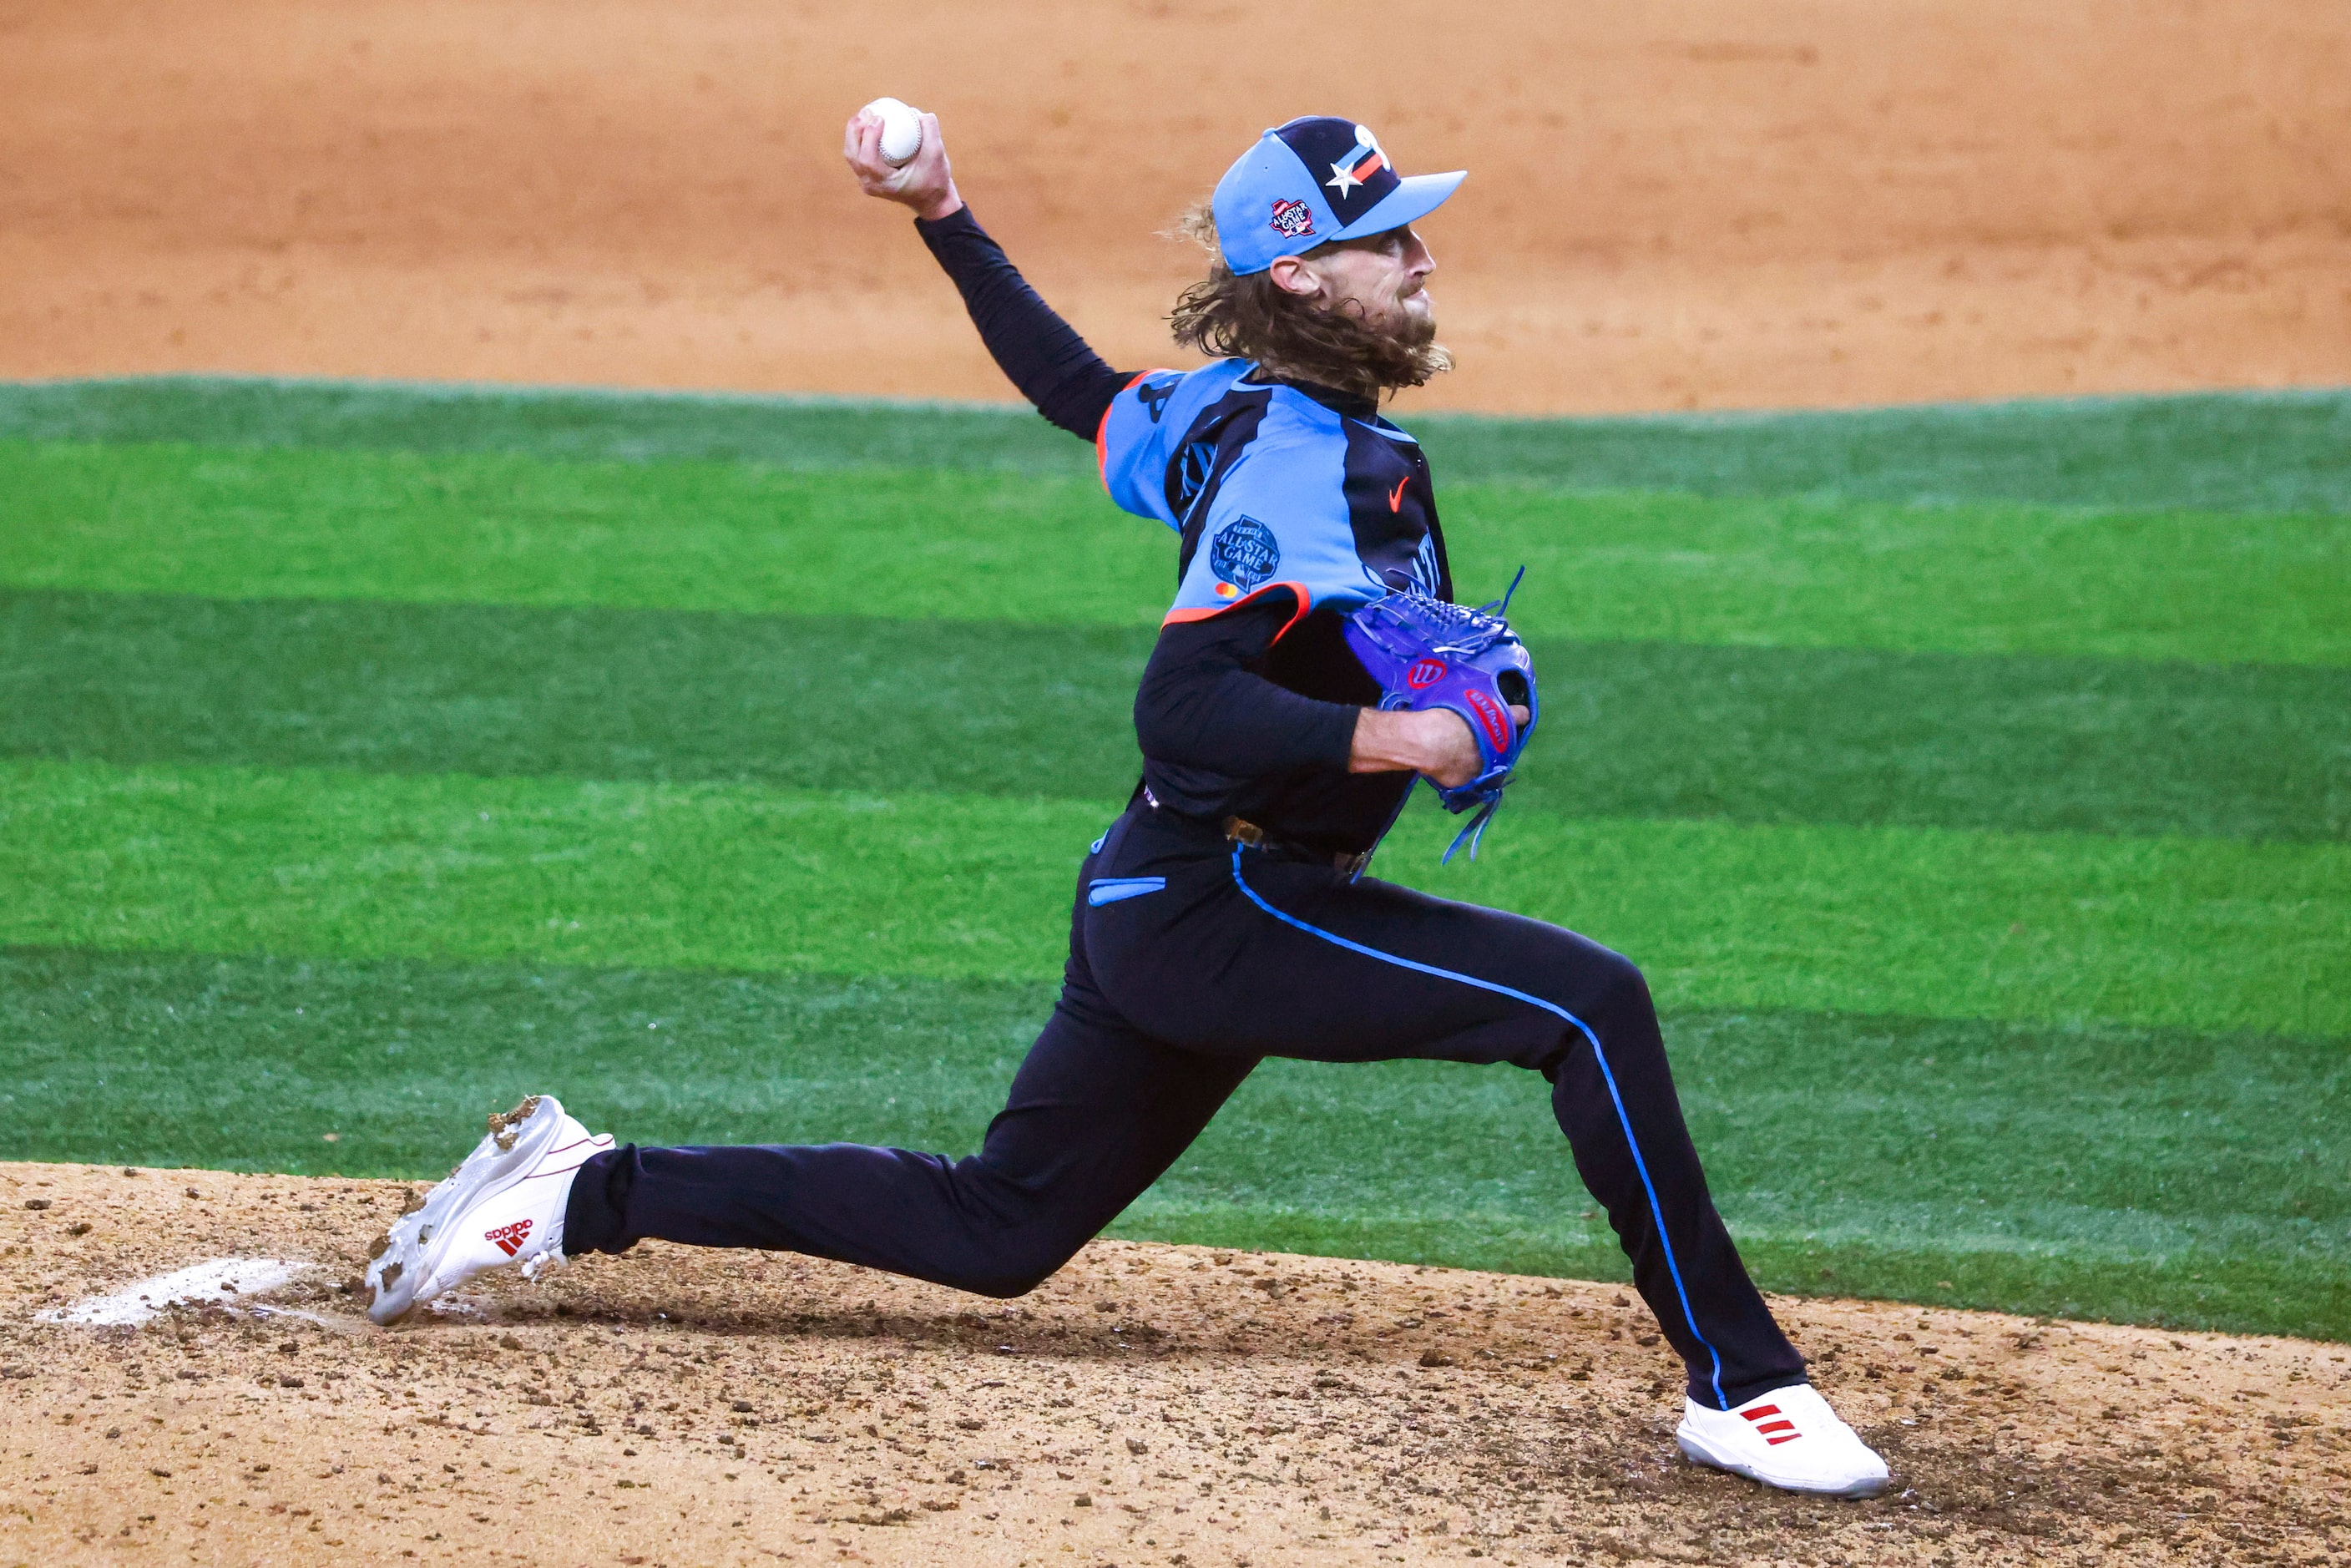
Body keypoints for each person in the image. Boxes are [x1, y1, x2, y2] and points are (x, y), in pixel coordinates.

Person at [361, 108, 1889, 1500]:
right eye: (1386, 241)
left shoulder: (1229, 410)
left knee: (1001, 1227)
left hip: (1164, 890)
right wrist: (1405, 738)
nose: (1422, 259)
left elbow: (1077, 390)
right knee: (1585, 1004)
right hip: (1229, 897)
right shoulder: (1303, 464)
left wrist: (945, 214)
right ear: (1299, 276)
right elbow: (1186, 703)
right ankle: (1746, 1389)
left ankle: (583, 1188)